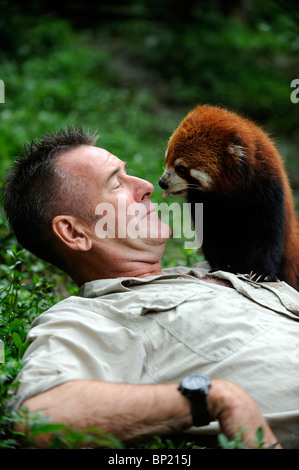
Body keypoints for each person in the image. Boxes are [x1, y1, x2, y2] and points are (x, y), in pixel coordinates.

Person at [2, 127, 299, 449]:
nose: (146, 186)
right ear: (74, 233)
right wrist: (213, 398)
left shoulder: (221, 269)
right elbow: (40, 415)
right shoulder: (93, 319)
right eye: (116, 183)